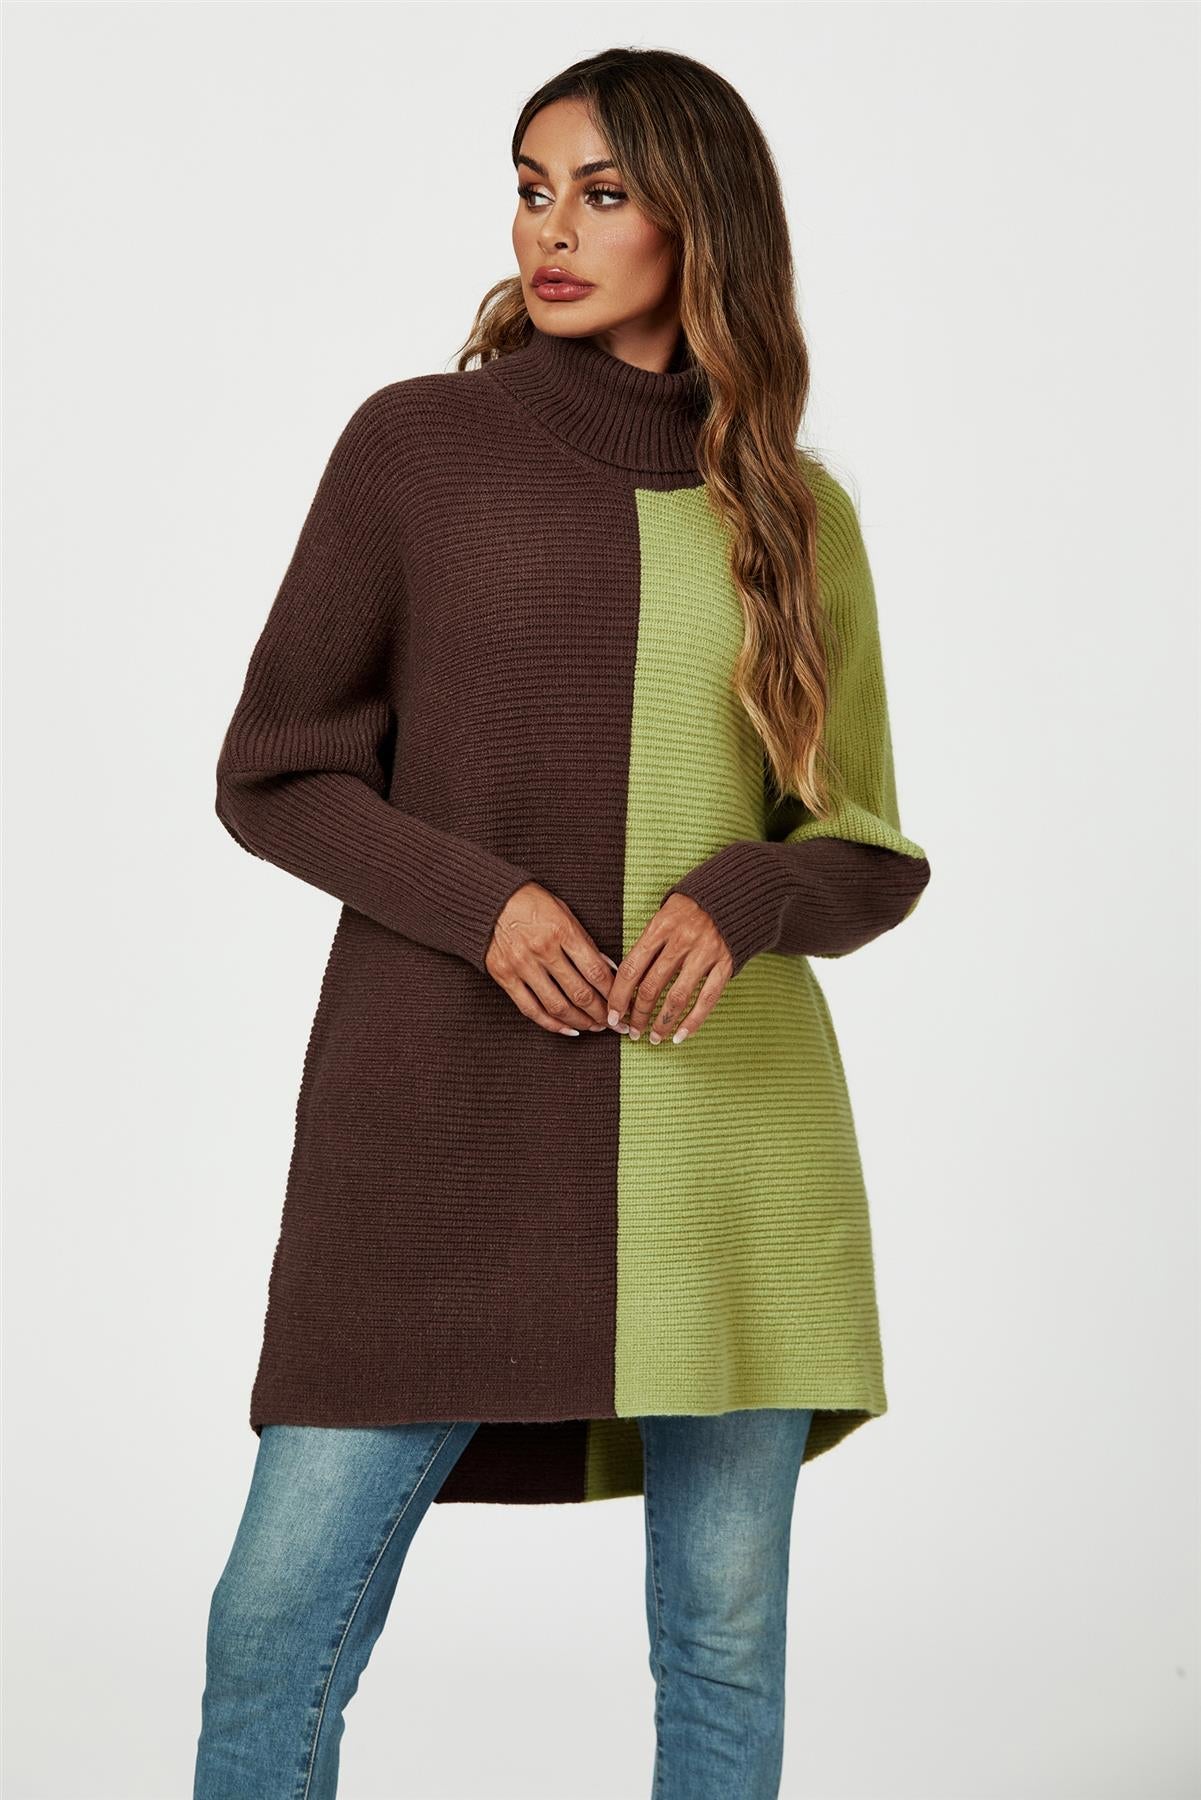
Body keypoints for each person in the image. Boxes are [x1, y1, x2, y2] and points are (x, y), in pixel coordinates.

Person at [193, 44, 932, 1800]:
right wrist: (487, 902)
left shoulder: (792, 513)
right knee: (276, 1622)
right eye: (532, 189)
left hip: (724, 1138)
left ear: (700, 223)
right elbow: (274, 768)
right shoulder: (416, 449)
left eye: (602, 194)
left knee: (722, 1649)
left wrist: (747, 889)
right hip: (440, 1126)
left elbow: (865, 850)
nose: (551, 229)